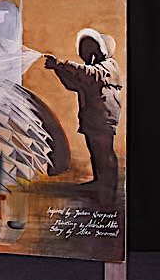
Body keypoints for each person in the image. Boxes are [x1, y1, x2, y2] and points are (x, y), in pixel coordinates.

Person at [45, 29, 122, 201]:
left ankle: (108, 188)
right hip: (94, 119)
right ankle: (100, 183)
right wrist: (58, 69)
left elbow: (86, 74)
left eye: (90, 48)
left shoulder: (108, 67)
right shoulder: (97, 69)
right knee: (96, 152)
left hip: (102, 120)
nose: (86, 53)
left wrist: (59, 64)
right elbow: (74, 83)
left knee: (104, 152)